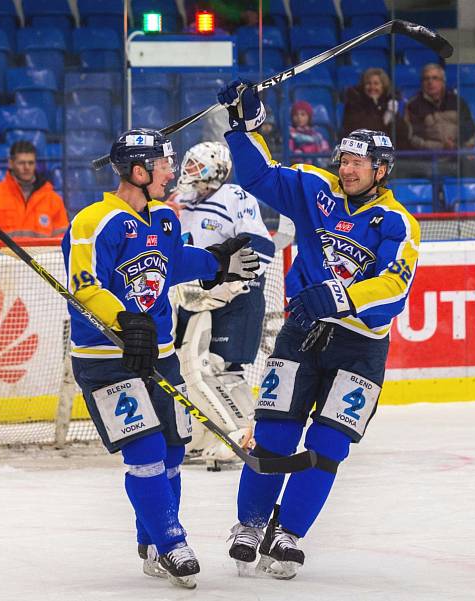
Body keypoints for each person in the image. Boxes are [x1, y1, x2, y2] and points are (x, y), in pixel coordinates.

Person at [216, 80, 420, 579]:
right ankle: (250, 523)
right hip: (303, 334)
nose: (347, 169)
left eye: (358, 163)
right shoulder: (316, 190)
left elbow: (396, 288)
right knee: (275, 433)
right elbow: (260, 176)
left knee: (329, 445)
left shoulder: (396, 222)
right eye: (343, 159)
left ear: (381, 170)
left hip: (360, 348)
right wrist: (243, 127)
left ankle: (287, 533)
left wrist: (343, 296)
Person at [62, 128, 260, 589]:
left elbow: (173, 262)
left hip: (162, 356)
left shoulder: (165, 219)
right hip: (106, 358)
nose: (172, 172)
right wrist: (124, 320)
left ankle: (149, 541)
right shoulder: (94, 222)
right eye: (164, 164)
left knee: (172, 450)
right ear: (138, 170)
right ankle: (172, 541)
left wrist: (217, 264)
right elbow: (85, 285)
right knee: (146, 451)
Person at [170, 140, 276, 470]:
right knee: (188, 367)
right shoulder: (181, 201)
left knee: (224, 367)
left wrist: (227, 273)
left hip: (236, 296)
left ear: (216, 169)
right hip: (197, 297)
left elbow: (261, 247)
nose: (188, 172)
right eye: (187, 165)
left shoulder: (234, 197)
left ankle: (246, 433)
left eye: (196, 166)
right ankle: (203, 435)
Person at [0, 140, 68, 244]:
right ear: (11, 163)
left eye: (30, 163)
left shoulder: (53, 199)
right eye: (21, 163)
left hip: (41, 260)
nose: (26, 167)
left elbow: (63, 239)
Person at [398, 63, 475, 178]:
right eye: (426, 79)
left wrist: (458, 146)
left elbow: (470, 129)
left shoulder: (457, 101)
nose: (430, 82)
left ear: (443, 82)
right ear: (422, 83)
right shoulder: (413, 105)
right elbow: (412, 138)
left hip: (458, 155)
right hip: (429, 160)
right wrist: (441, 147)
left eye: (435, 78)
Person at [339, 67, 402, 141]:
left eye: (376, 84)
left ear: (383, 86)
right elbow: (362, 129)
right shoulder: (354, 103)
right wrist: (374, 105)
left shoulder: (389, 103)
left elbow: (402, 134)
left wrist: (392, 114)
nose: (372, 87)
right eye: (368, 83)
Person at [288, 100, 331, 167]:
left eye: (303, 114)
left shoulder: (317, 135)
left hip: (317, 168)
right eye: (296, 115)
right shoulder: (290, 133)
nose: (299, 117)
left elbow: (325, 150)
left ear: (309, 117)